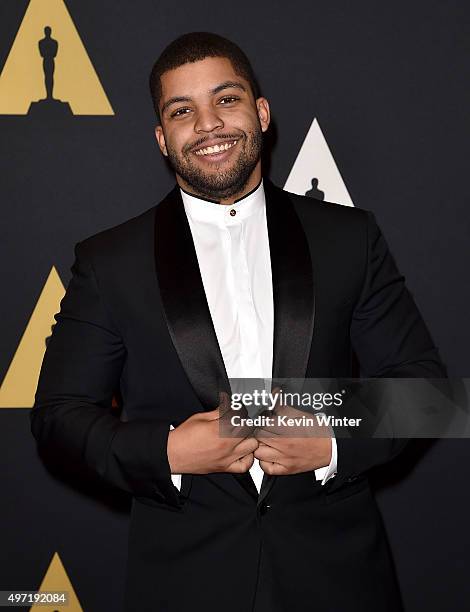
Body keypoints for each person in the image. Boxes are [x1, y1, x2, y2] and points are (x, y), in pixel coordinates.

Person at [30, 32, 447, 612]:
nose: (207, 124)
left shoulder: (348, 239)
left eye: (225, 100)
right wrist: (169, 452)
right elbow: (59, 415)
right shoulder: (109, 262)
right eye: (183, 111)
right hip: (183, 582)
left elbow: (425, 392)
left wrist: (331, 439)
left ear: (261, 112)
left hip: (338, 576)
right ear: (162, 137)